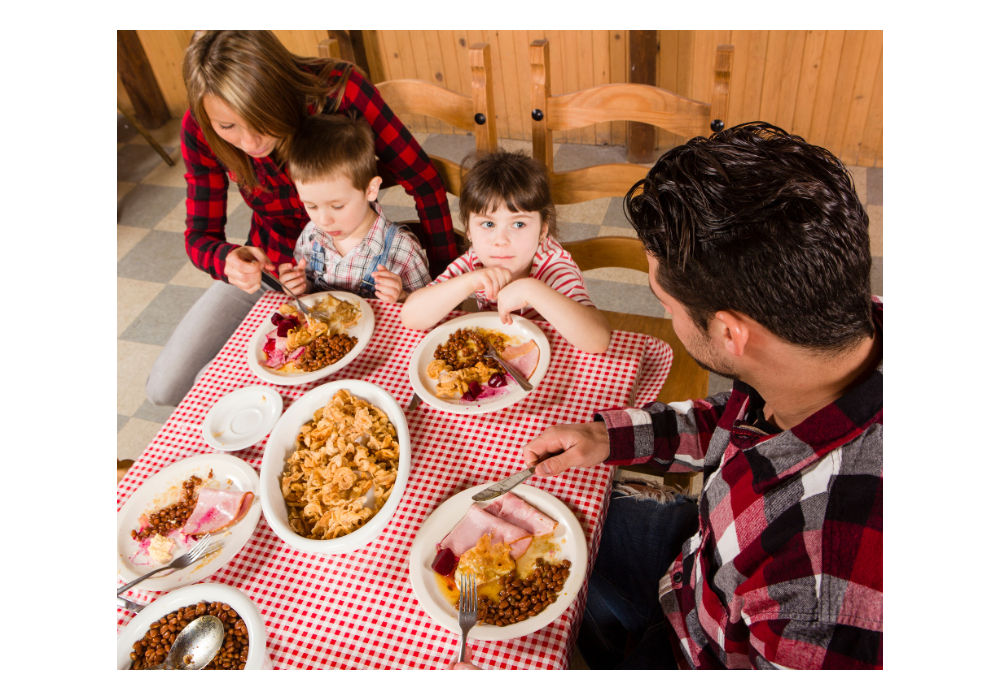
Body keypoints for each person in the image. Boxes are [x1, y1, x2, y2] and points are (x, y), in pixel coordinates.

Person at [514, 123, 883, 670]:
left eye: (666, 302)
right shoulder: (834, 331)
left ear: (732, 333)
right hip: (698, 562)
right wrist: (606, 436)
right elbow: (742, 420)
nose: (666, 314)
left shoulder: (823, 584)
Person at [146, 30, 458, 407]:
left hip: (360, 276)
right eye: (228, 127)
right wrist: (227, 260)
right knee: (165, 387)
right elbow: (199, 235)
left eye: (258, 120)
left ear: (278, 90)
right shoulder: (200, 128)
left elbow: (423, 181)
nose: (248, 144)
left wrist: (442, 283)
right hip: (277, 271)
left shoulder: (339, 92)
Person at [402, 150, 611, 355]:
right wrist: (468, 282)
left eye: (518, 224)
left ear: (543, 230)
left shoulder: (553, 265)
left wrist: (532, 290)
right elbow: (411, 317)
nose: (501, 240)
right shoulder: (475, 260)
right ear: (469, 231)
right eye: (488, 224)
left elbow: (598, 341)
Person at [276, 114, 429, 303]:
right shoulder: (310, 236)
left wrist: (403, 296)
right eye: (311, 206)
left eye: (337, 206)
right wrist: (300, 285)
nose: (323, 220)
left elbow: (428, 305)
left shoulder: (402, 251)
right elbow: (310, 286)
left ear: (371, 190)